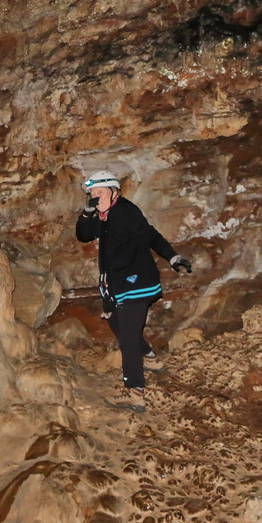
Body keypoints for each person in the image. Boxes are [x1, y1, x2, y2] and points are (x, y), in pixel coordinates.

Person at [75, 170, 191, 413]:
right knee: (117, 324)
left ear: (114, 192)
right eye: (92, 194)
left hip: (137, 282)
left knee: (127, 338)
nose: (96, 197)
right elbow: (83, 235)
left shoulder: (126, 212)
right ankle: (150, 357)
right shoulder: (103, 215)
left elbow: (150, 235)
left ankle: (135, 393)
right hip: (117, 284)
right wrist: (87, 212)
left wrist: (172, 256)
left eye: (100, 192)